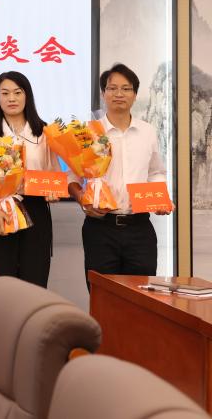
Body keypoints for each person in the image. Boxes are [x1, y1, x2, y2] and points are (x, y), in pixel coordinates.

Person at [70, 63, 169, 284]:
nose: (119, 94)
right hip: (100, 228)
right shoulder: (88, 132)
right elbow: (72, 178)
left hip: (139, 228)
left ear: (135, 95)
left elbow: (156, 172)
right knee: (102, 294)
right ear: (103, 93)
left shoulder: (147, 132)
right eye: (112, 88)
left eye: (126, 88)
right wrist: (81, 199)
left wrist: (159, 198)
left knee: (140, 294)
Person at [0, 71, 61, 288]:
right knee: (1, 282)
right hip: (0, 211)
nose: (11, 98)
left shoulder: (43, 131)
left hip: (36, 209)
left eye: (17, 92)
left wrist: (53, 192)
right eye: (5, 93)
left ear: (27, 96)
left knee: (34, 280)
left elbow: (53, 174)